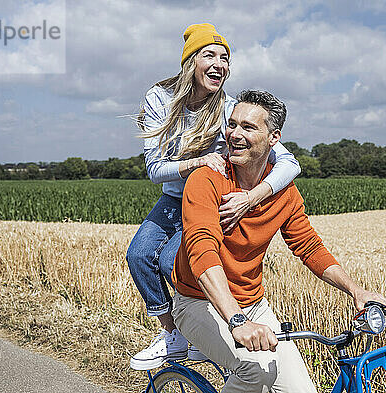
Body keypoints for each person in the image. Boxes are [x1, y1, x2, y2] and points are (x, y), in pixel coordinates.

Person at [171, 90, 386, 392]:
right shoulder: (207, 179)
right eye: (232, 124)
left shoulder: (282, 191)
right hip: (199, 302)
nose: (234, 135)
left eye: (248, 127)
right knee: (255, 373)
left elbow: (309, 246)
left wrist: (355, 290)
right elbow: (201, 250)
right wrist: (237, 320)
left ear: (273, 137)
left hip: (253, 304)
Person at [127, 24, 301, 370]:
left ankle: (205, 335)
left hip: (208, 196)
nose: (220, 63)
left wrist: (253, 196)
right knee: (139, 255)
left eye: (225, 58)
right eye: (210, 55)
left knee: (174, 263)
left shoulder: (229, 108)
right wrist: (196, 161)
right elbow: (154, 170)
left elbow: (289, 162)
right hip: (174, 195)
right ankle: (172, 335)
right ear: (190, 61)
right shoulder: (158, 99)